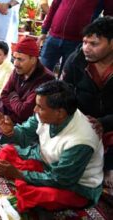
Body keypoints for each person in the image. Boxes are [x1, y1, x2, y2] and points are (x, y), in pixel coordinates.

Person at [0, 80, 104, 212]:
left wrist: (19, 174)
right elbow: (25, 133)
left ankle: (27, 185)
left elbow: (60, 180)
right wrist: (11, 131)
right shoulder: (47, 114)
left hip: (76, 185)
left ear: (60, 113)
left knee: (39, 195)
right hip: (44, 160)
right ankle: (27, 181)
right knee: (6, 153)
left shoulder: (81, 140)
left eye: (40, 107)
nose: (35, 110)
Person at [61, 16, 113, 193]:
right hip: (81, 118)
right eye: (84, 42)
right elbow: (63, 91)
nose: (86, 48)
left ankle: (109, 167)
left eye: (94, 44)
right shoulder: (76, 60)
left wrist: (104, 123)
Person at [0, 37, 54, 135]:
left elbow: (25, 112)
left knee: (0, 131)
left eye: (20, 59)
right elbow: (4, 94)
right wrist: (17, 103)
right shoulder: (18, 70)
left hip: (27, 122)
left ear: (33, 60)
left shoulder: (45, 79)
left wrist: (13, 95)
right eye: (15, 58)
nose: (16, 63)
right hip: (11, 112)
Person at [37, 0, 113, 75]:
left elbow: (109, 16)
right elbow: (54, 7)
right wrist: (44, 30)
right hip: (53, 37)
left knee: (66, 76)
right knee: (41, 72)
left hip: (77, 42)